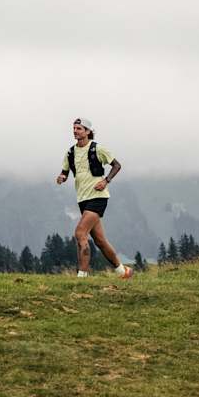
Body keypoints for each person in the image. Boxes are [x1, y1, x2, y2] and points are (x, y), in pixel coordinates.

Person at [55, 118, 133, 279]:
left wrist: (106, 181)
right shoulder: (70, 152)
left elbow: (117, 165)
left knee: (80, 233)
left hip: (98, 197)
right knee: (100, 241)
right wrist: (62, 177)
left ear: (88, 132)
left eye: (79, 128)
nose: (75, 131)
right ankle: (123, 271)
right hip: (82, 198)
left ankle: (82, 276)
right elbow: (65, 172)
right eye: (74, 128)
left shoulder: (98, 149)